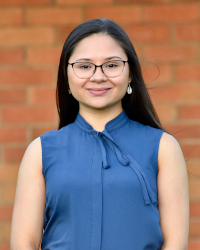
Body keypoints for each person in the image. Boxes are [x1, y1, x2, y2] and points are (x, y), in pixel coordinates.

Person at [10, 18, 189, 250]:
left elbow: (175, 243)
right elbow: (24, 243)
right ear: (66, 76)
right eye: (84, 66)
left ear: (131, 73)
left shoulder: (163, 147)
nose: (98, 76)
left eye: (112, 65)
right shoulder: (41, 151)